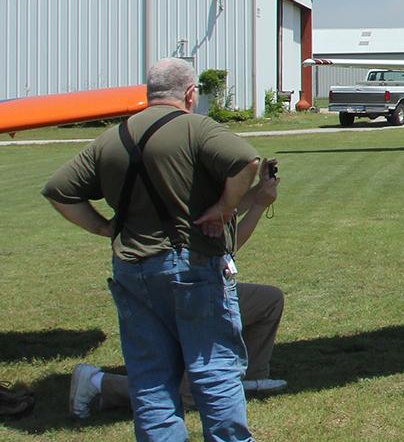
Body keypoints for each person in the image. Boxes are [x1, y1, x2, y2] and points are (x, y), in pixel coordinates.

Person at [41, 58, 273, 442]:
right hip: (190, 265)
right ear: (190, 94)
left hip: (131, 268)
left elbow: (58, 190)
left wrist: (103, 227)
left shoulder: (112, 138)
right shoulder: (195, 129)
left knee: (150, 373)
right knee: (213, 364)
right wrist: (225, 209)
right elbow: (245, 161)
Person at [71, 162, 287, 416]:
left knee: (268, 301)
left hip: (187, 288)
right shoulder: (185, 194)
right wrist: (260, 205)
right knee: (192, 397)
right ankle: (98, 383)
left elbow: (229, 210)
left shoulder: (182, 185)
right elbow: (227, 246)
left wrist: (259, 190)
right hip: (187, 294)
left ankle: (248, 377)